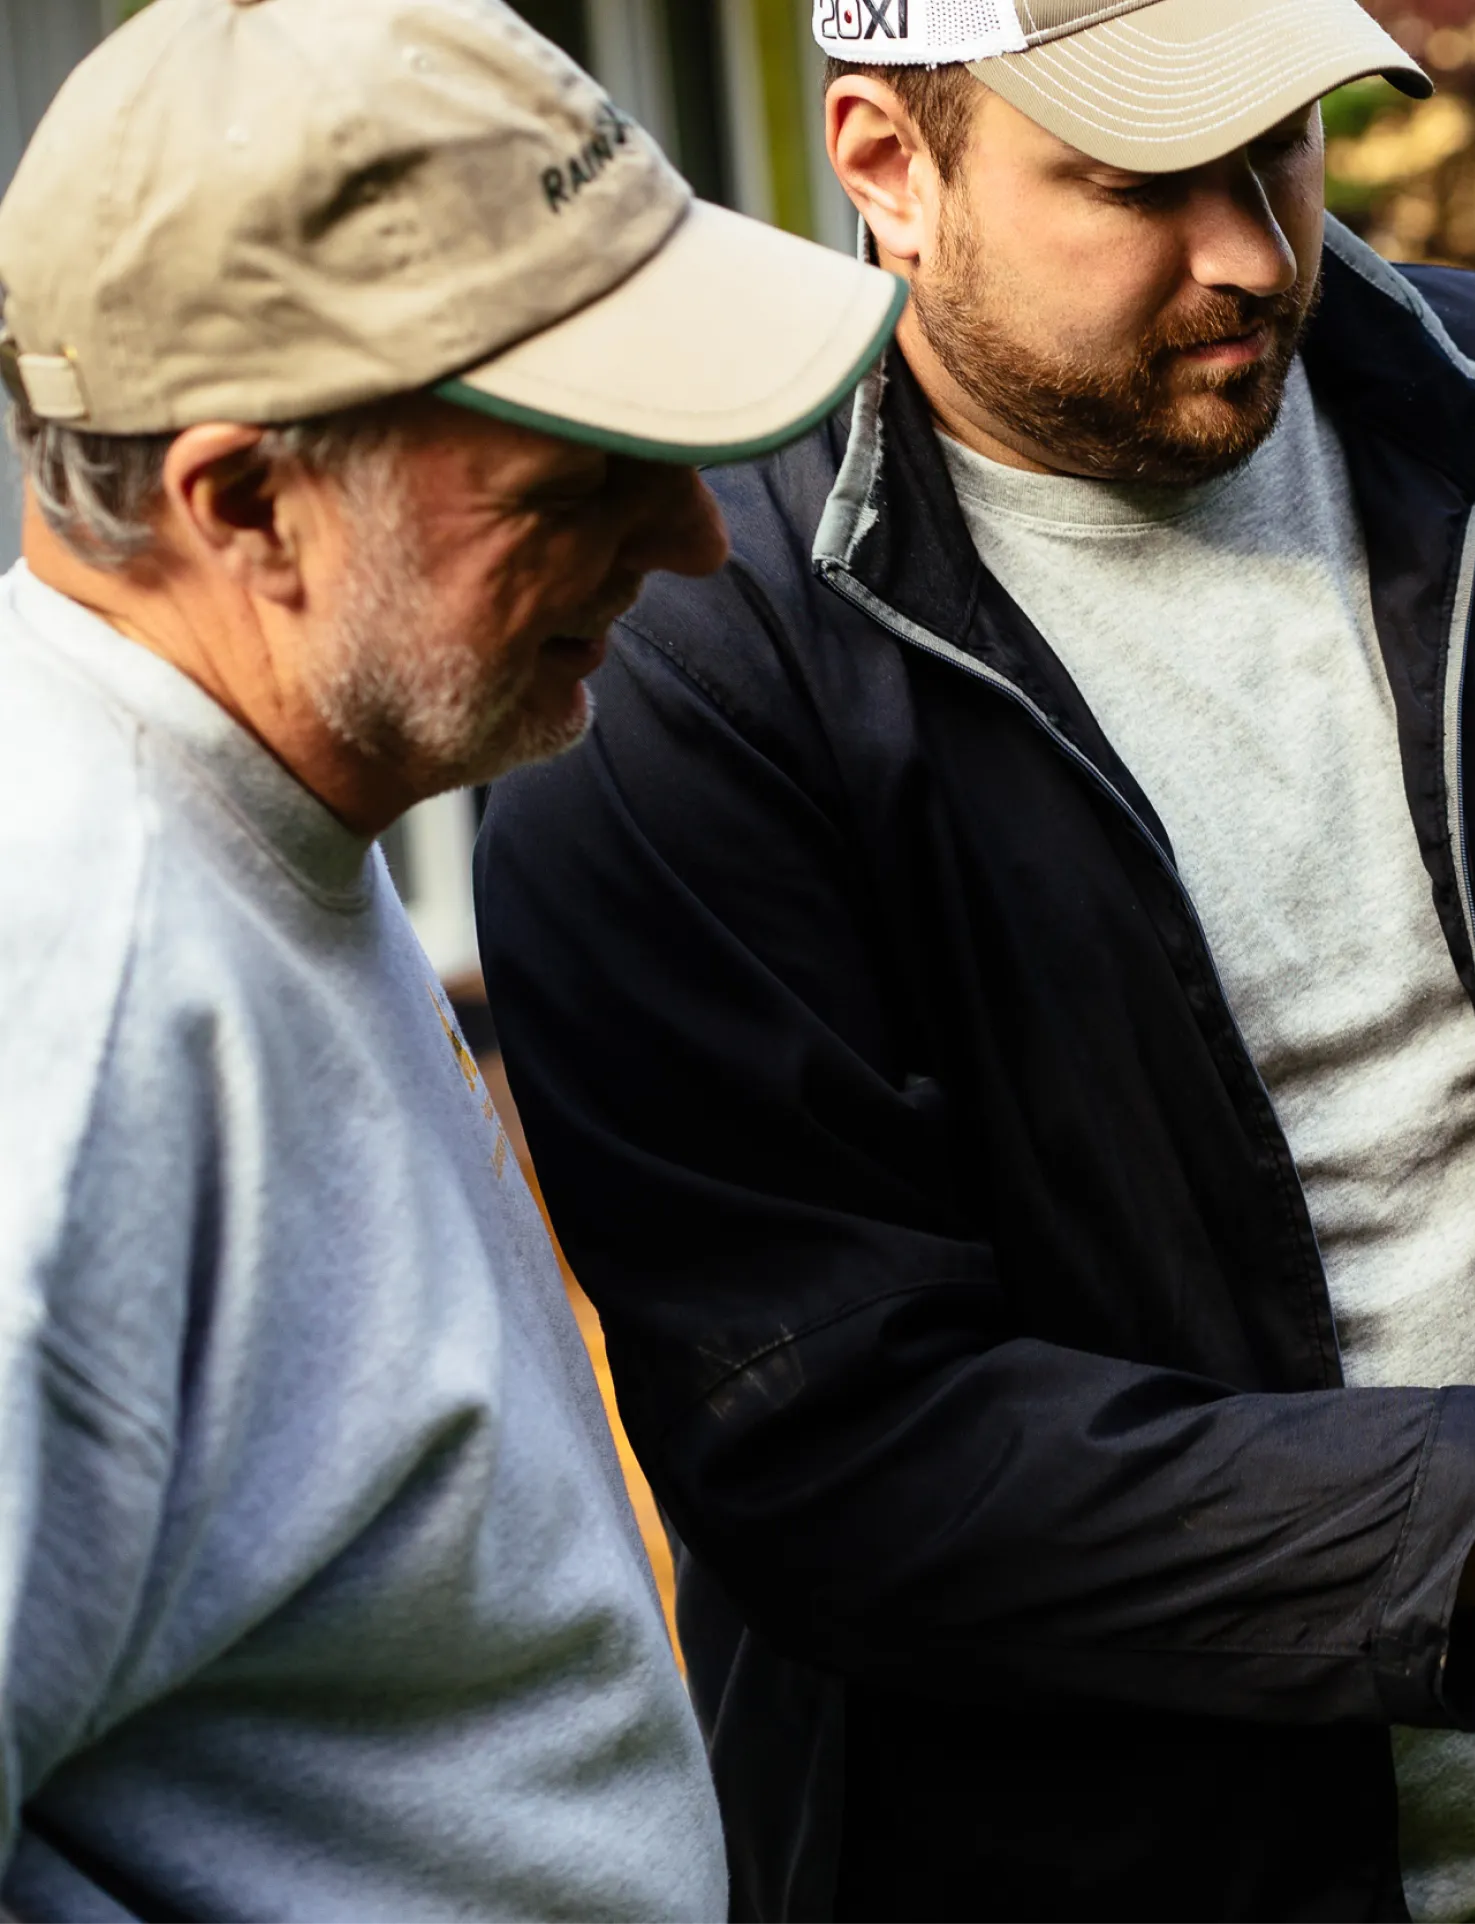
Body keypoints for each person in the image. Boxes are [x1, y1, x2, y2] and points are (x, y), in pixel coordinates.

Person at [474, 0, 1475, 1917]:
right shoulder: (679, 658)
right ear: (888, 167)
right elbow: (839, 1451)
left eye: (1286, 141)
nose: (1256, 245)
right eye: (1144, 177)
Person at [0, 0, 904, 1917]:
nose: (694, 543)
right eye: (578, 476)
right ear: (244, 502)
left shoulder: (239, 820)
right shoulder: (64, 1018)